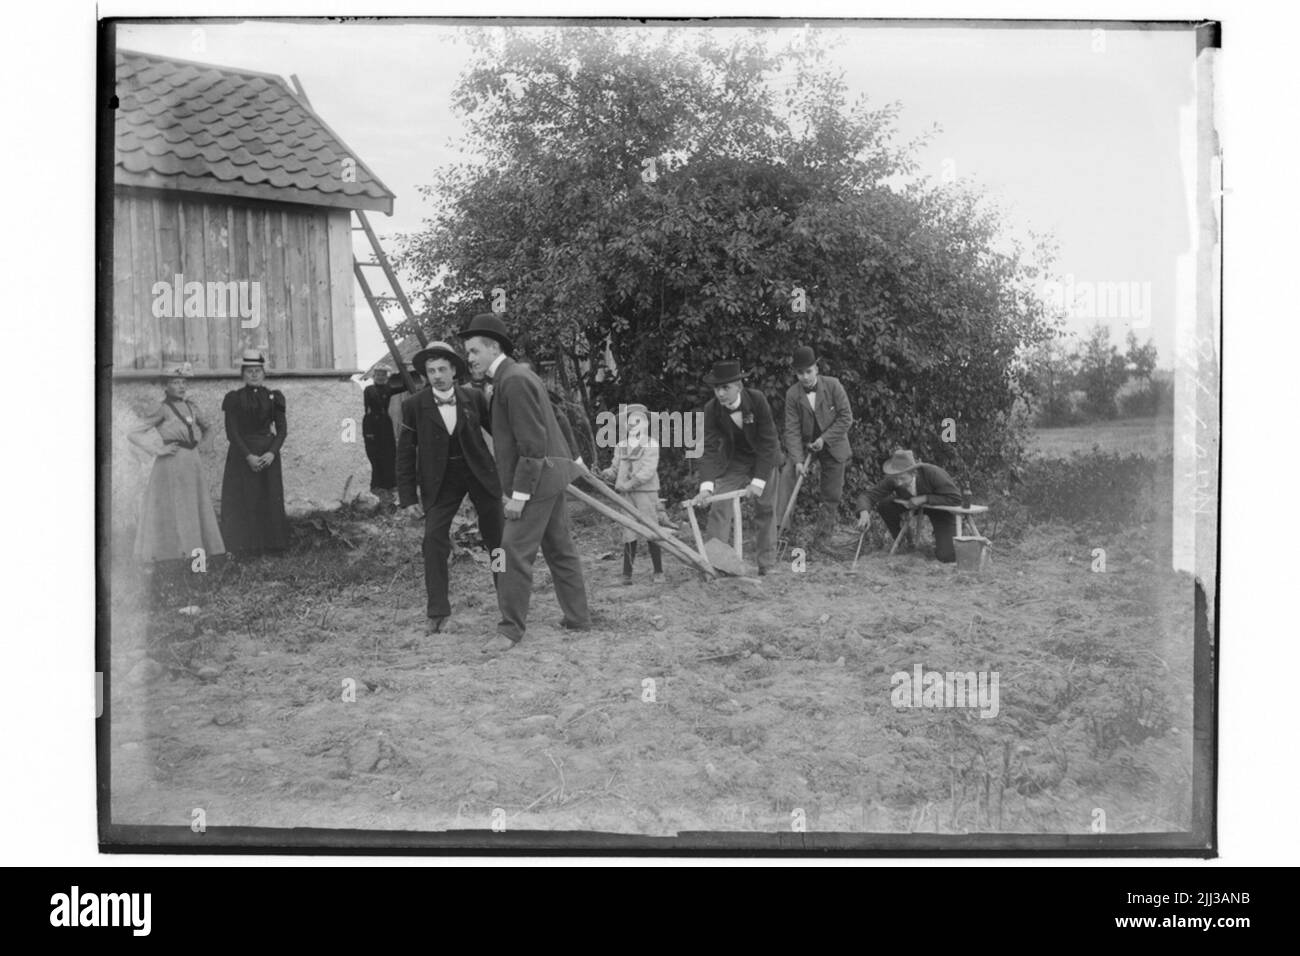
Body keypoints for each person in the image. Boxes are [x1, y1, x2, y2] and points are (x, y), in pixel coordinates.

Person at [458, 313, 591, 652]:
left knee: (511, 553)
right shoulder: (512, 377)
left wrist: (518, 496)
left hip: (536, 482)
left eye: (474, 351)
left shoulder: (513, 380)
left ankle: (509, 630)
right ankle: (578, 618)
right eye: (468, 352)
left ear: (493, 347)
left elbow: (531, 445)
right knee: (560, 549)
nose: (469, 358)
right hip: (550, 477)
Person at [396, 341, 504, 635]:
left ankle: (508, 600)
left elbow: (499, 433)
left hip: (479, 473)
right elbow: (405, 453)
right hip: (440, 481)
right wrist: (407, 498)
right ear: (425, 375)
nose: (437, 375)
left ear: (454, 370)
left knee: (498, 539)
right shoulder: (413, 406)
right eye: (431, 371)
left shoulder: (473, 397)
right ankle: (438, 611)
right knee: (433, 541)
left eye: (442, 369)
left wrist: (512, 475)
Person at [128, 363, 226, 576]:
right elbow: (134, 433)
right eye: (175, 382)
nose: (181, 386)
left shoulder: (192, 407)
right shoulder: (162, 409)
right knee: (172, 509)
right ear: (166, 386)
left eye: (183, 382)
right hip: (171, 465)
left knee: (193, 507)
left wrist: (206, 444)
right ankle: (167, 557)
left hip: (192, 463)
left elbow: (208, 428)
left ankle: (197, 559)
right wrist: (157, 449)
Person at [690, 359, 782, 575]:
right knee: (719, 504)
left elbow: (769, 441)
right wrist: (706, 487)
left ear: (738, 386)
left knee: (766, 508)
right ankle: (714, 564)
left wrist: (758, 482)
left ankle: (766, 563)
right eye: (716, 388)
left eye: (725, 388)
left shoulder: (757, 399)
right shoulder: (712, 409)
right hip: (737, 459)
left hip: (765, 457)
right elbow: (709, 448)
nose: (720, 393)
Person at [778, 345, 853, 550]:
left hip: (833, 444)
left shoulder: (833, 385)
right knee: (787, 477)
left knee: (831, 493)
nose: (805, 377)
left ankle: (822, 540)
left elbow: (846, 418)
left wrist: (825, 439)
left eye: (808, 371)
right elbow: (792, 429)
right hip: (805, 446)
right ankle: (781, 532)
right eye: (800, 373)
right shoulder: (792, 394)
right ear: (796, 373)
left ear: (816, 368)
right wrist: (799, 461)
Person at [220, 349, 289, 555]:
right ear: (243, 374)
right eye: (249, 371)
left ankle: (272, 545)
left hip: (268, 455)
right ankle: (243, 547)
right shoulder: (234, 398)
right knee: (244, 497)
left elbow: (282, 430)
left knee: (269, 496)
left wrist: (272, 453)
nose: (254, 374)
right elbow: (232, 432)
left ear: (263, 373)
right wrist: (248, 456)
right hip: (243, 455)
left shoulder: (274, 397)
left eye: (258, 370)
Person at [855, 449, 963, 563]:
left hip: (940, 509)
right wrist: (863, 511)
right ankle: (905, 541)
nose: (898, 483)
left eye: (902, 478)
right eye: (895, 478)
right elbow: (868, 495)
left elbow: (955, 499)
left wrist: (924, 498)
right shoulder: (894, 478)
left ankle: (944, 543)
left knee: (947, 556)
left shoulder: (934, 473)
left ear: (914, 472)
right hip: (911, 504)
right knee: (885, 505)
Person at [600, 403, 663, 585]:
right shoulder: (621, 446)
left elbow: (647, 471)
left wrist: (630, 484)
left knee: (652, 529)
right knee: (629, 531)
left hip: (646, 493)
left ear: (645, 424)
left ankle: (658, 570)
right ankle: (627, 574)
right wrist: (605, 473)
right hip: (626, 496)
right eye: (630, 421)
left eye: (638, 420)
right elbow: (615, 468)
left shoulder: (651, 445)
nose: (634, 424)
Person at [362, 368, 397, 502]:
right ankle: (376, 483)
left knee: (388, 452)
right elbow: (365, 410)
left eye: (383, 375)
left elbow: (405, 385)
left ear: (386, 377)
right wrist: (368, 430)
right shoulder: (369, 390)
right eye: (378, 375)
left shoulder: (389, 389)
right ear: (373, 376)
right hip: (372, 423)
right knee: (374, 452)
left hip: (385, 424)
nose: (380, 377)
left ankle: (389, 483)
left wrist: (398, 371)